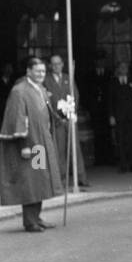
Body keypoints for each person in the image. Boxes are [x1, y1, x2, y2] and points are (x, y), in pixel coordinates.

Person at [0, 56, 63, 231]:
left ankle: (37, 217)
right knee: (30, 181)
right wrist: (23, 145)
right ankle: (29, 221)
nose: (41, 74)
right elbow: (17, 118)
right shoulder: (19, 91)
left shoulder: (40, 88)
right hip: (30, 144)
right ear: (29, 71)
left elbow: (47, 112)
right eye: (38, 71)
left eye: (43, 71)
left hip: (40, 143)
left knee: (39, 180)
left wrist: (64, 116)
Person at [43, 54, 89, 188]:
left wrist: (72, 110)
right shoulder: (46, 80)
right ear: (50, 66)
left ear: (63, 64)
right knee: (60, 150)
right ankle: (62, 180)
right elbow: (46, 100)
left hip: (69, 118)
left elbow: (76, 95)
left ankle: (81, 177)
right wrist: (56, 115)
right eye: (54, 64)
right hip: (56, 120)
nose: (57, 66)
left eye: (59, 63)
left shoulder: (69, 78)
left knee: (75, 148)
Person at [83, 50, 114, 165]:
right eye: (98, 60)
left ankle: (109, 158)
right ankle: (99, 159)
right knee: (97, 133)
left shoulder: (110, 74)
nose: (100, 63)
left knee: (108, 134)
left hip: (107, 108)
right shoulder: (89, 75)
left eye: (102, 60)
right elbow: (85, 93)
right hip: (95, 109)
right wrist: (87, 108)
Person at [110, 61, 132, 173]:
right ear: (118, 69)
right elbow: (110, 100)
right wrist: (111, 115)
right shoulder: (113, 82)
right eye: (121, 67)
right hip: (119, 116)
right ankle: (123, 165)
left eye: (125, 67)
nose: (124, 69)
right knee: (121, 141)